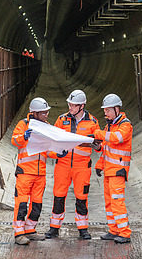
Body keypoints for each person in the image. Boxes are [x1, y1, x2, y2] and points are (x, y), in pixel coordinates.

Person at [45, 90, 101, 240]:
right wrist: (57, 154)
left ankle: (83, 229)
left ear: (82, 106)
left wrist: (95, 143)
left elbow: (100, 145)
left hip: (82, 167)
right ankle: (54, 228)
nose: (70, 107)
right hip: (62, 165)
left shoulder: (93, 122)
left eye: (73, 105)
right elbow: (51, 144)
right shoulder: (61, 120)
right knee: (58, 196)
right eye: (69, 104)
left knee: (81, 197)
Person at [11, 97, 65, 245]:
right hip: (25, 172)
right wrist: (24, 136)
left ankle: (30, 230)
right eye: (43, 113)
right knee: (22, 204)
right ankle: (19, 234)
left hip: (40, 174)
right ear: (34, 113)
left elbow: (47, 149)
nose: (46, 115)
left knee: (36, 204)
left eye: (46, 112)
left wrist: (57, 154)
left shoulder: (46, 126)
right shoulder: (24, 124)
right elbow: (14, 140)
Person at [94, 94, 133, 244]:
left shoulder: (125, 125)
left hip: (118, 171)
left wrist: (100, 134)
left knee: (117, 202)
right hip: (109, 171)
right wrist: (99, 163)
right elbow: (106, 149)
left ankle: (124, 233)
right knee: (109, 202)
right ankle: (114, 230)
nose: (106, 113)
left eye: (108, 110)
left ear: (117, 109)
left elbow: (118, 138)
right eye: (105, 111)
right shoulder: (109, 126)